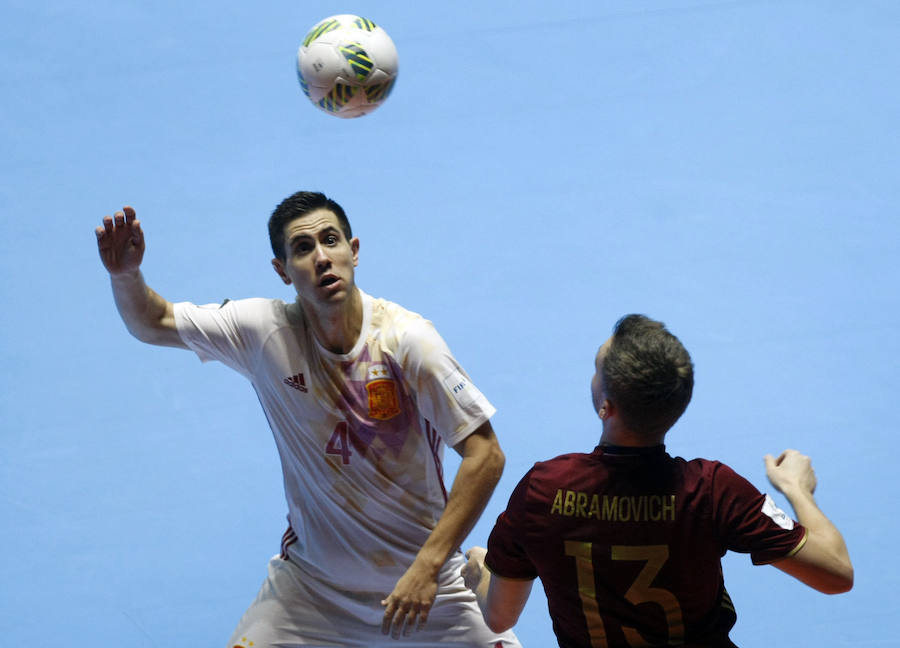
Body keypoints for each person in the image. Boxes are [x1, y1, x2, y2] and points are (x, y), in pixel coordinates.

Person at [95, 192, 521, 648]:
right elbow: (153, 320)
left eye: (330, 240)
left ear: (353, 251)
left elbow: (486, 454)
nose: (321, 258)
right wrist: (126, 275)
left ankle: (474, 571)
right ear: (282, 270)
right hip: (312, 594)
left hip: (422, 588)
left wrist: (428, 565)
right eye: (302, 249)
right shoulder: (263, 331)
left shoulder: (408, 342)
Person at [462, 314, 853, 647]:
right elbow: (836, 574)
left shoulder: (543, 491)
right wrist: (799, 490)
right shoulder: (713, 490)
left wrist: (483, 570)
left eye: (596, 371)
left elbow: (498, 617)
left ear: (606, 406)